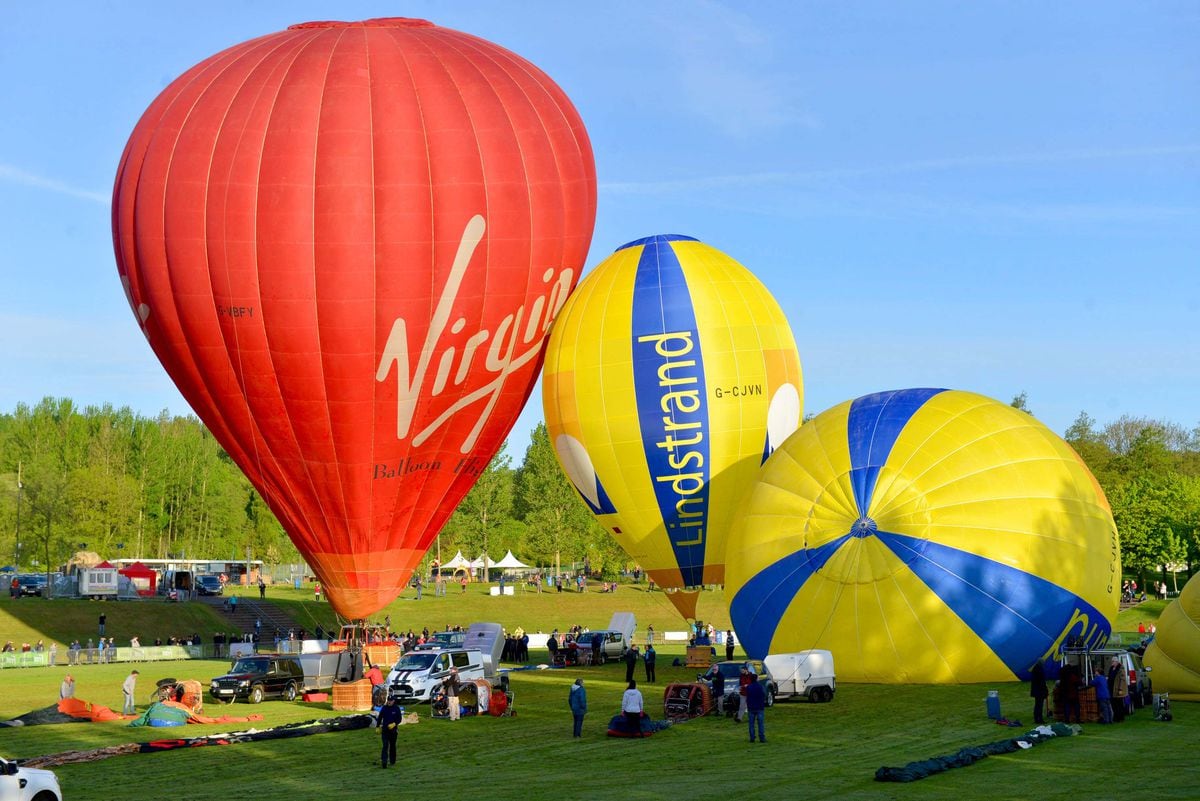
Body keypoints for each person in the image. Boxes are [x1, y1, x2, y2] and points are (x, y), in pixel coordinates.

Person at [377, 696, 402, 768]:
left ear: (393, 701)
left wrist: (394, 723)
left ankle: (392, 760)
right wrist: (377, 726)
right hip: (385, 730)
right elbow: (380, 717)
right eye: (388, 700)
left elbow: (399, 719)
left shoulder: (396, 708)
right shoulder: (384, 708)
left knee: (392, 746)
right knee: (385, 745)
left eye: (390, 700)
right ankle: (384, 762)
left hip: (393, 731)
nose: (389, 702)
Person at [745, 675, 767, 742]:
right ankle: (762, 738)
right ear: (757, 679)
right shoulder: (760, 686)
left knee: (751, 724)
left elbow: (747, 695)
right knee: (760, 723)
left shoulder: (748, 687)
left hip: (751, 707)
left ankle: (752, 738)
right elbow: (765, 694)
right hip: (760, 707)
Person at [1108, 656, 1129, 722]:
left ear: (1116, 662)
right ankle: (1115, 717)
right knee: (1113, 704)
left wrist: (1120, 689)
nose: (1112, 662)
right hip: (1112, 688)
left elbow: (1122, 680)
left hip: (1118, 689)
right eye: (1112, 661)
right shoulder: (1111, 668)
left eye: (1113, 661)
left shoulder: (1120, 668)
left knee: (1119, 704)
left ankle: (1120, 717)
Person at [1029, 660, 1048, 724]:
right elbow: (1041, 682)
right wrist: (1045, 690)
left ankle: (1037, 718)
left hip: (1036, 691)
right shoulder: (1039, 670)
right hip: (1039, 691)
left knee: (1037, 705)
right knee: (1039, 705)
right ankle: (1039, 719)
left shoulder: (1035, 669)